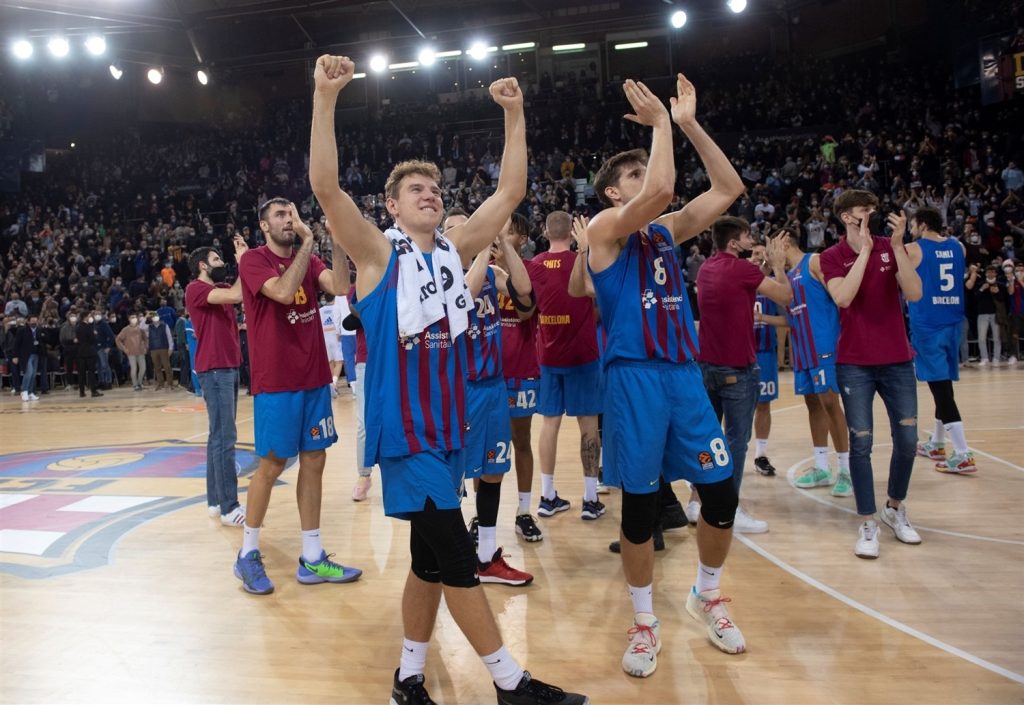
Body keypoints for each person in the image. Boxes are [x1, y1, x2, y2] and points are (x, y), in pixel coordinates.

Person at [310, 54, 586, 705]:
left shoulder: (452, 253)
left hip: (447, 430)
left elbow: (510, 193)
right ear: (391, 206)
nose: (429, 195)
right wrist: (325, 100)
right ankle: (511, 683)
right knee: (458, 558)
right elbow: (326, 188)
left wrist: (514, 115)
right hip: (406, 436)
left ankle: (408, 676)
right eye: (414, 190)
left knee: (428, 561)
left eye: (434, 189)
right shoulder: (380, 255)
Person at [586, 74, 748, 678]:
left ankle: (706, 593)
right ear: (610, 194)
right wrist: (658, 125)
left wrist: (685, 125)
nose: (644, 181)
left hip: (682, 376)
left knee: (722, 496)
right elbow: (658, 188)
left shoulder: (666, 231)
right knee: (640, 509)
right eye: (629, 178)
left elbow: (727, 187)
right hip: (633, 382)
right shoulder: (604, 234)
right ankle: (644, 621)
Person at [235, 195, 360, 596]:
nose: (289, 219)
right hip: (276, 383)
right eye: (280, 215)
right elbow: (285, 293)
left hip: (312, 379)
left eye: (292, 213)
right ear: (264, 226)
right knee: (271, 465)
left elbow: (340, 286)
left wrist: (336, 238)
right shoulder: (253, 261)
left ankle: (312, 555)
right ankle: (247, 553)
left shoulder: (312, 258)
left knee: (315, 459)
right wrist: (308, 244)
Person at [819, 190, 923, 559]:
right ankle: (867, 521)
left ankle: (894, 508)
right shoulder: (830, 257)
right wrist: (863, 251)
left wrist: (896, 247)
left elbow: (914, 292)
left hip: (897, 359)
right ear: (847, 217)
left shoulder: (892, 247)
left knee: (908, 440)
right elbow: (843, 298)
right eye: (866, 209)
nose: (873, 214)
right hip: (855, 363)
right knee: (860, 443)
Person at [447, 210, 536, 585]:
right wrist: (484, 245)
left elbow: (525, 291)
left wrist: (503, 242)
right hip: (459, 389)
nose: (468, 232)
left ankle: (485, 556)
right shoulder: (441, 276)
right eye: (458, 228)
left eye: (472, 225)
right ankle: (448, 553)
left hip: (494, 385)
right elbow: (466, 293)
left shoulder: (493, 273)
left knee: (495, 470)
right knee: (452, 478)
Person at [694, 217, 792, 534]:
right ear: (734, 243)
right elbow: (786, 296)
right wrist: (777, 266)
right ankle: (728, 509)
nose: (752, 240)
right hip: (737, 368)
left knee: (707, 439)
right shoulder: (743, 270)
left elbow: (741, 284)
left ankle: (697, 500)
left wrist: (760, 269)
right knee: (736, 442)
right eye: (747, 236)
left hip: (706, 366)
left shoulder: (706, 268)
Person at [526, 210, 605, 521]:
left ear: (545, 232)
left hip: (548, 355)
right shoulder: (584, 260)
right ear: (573, 233)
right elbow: (598, 296)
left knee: (549, 425)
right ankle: (590, 498)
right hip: (582, 355)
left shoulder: (534, 265)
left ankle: (547, 496)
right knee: (588, 425)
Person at [776, 227, 851, 495]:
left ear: (785, 242)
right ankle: (822, 466)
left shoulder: (815, 261)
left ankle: (846, 470)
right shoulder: (785, 276)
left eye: (774, 245)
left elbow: (842, 298)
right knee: (813, 405)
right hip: (802, 349)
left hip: (824, 345)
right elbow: (790, 315)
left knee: (831, 403)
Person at [905, 207, 977, 474]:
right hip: (953, 323)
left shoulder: (914, 249)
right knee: (943, 383)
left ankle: (962, 453)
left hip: (929, 325)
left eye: (913, 224)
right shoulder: (959, 247)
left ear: (922, 225)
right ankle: (937, 442)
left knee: (941, 389)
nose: (912, 229)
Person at [186, 238, 249, 527]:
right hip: (214, 370)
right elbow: (239, 293)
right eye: (216, 260)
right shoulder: (196, 289)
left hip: (228, 367)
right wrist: (243, 260)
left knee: (217, 437)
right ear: (202, 266)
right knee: (225, 438)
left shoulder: (221, 288)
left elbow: (242, 292)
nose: (221, 264)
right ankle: (229, 506)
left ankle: (214, 501)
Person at [495, 215, 544, 543]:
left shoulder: (531, 271)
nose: (500, 237)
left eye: (508, 231)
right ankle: (481, 517)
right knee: (486, 447)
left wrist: (507, 268)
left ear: (522, 237)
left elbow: (526, 311)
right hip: (485, 373)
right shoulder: (478, 270)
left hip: (521, 369)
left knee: (521, 441)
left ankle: (524, 511)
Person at [749, 242, 788, 477]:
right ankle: (732, 452)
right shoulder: (735, 278)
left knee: (763, 405)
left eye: (764, 255)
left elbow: (788, 321)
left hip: (764, 353)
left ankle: (761, 454)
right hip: (736, 353)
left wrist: (762, 318)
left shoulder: (773, 287)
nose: (758, 259)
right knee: (735, 408)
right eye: (754, 254)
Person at [966, 264, 1007, 365]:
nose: (990, 274)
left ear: (996, 274)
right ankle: (984, 358)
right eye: (989, 272)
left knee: (997, 337)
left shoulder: (1000, 285)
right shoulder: (980, 283)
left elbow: (1004, 300)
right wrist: (982, 289)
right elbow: (974, 299)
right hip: (982, 314)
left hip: (996, 314)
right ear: (986, 273)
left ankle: (996, 358)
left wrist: (997, 293)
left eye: (993, 272)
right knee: (981, 338)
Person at [319, 294, 344, 398]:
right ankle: (334, 383)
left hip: (325, 338)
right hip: (335, 337)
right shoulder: (336, 308)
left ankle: (332, 386)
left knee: (330, 362)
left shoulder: (321, 310)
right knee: (339, 362)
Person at [12, 315, 41, 402]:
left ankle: (30, 392)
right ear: (28, 321)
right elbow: (16, 344)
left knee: (33, 374)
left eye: (35, 321)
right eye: (32, 321)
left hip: (36, 354)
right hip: (26, 355)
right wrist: (15, 356)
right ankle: (24, 391)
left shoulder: (39, 330)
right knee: (28, 372)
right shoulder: (22, 330)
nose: (34, 323)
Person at [116, 314, 148, 391]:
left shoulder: (140, 329)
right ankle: (135, 384)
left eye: (135, 317)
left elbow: (145, 338)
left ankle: (140, 382)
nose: (134, 319)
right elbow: (118, 339)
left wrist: (145, 347)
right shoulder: (125, 330)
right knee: (134, 368)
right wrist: (124, 348)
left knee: (143, 368)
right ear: (129, 319)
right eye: (132, 317)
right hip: (131, 352)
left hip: (140, 351)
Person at [75, 311, 102, 398]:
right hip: (89, 351)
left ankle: (82, 392)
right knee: (91, 372)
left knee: (81, 373)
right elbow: (93, 340)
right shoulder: (88, 327)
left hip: (80, 352)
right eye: (89, 316)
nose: (90, 317)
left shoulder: (78, 327)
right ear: (85, 317)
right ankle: (93, 391)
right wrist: (95, 334)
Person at [148, 313, 174, 391]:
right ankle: (160, 384)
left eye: (156, 316)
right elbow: (141, 326)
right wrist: (146, 316)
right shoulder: (149, 326)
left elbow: (169, 337)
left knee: (167, 367)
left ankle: (170, 384)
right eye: (153, 317)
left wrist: (170, 348)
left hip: (164, 348)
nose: (155, 318)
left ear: (159, 317)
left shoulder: (165, 326)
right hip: (153, 349)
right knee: (157, 368)